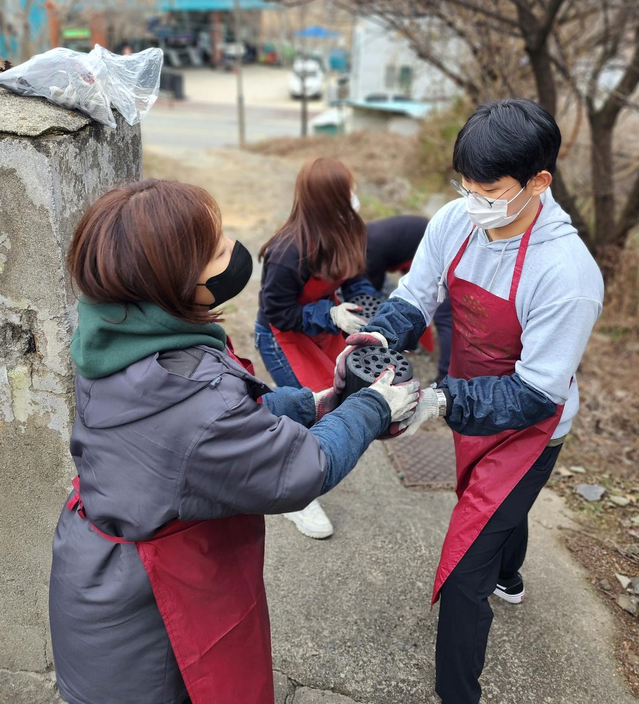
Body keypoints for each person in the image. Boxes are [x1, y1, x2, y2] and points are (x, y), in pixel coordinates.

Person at [49, 179, 419, 704]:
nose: (234, 251)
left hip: (99, 569)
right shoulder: (193, 400)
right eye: (218, 250)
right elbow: (301, 466)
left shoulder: (120, 330)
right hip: (145, 617)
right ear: (174, 283)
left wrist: (319, 401)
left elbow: (221, 423)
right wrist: (374, 406)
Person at [334, 99, 604, 704]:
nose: (473, 202)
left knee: (463, 572)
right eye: (464, 185)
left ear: (540, 182)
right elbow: (416, 294)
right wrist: (378, 337)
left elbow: (536, 393)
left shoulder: (566, 273)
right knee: (488, 506)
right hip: (467, 395)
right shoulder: (457, 220)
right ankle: (511, 573)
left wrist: (432, 401)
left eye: (490, 190)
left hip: (532, 423)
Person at [255, 157, 379, 539]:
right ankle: (296, 496)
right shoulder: (288, 250)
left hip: (325, 326)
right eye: (349, 191)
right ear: (328, 199)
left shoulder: (348, 230)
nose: (355, 198)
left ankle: (304, 470)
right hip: (284, 334)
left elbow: (357, 278)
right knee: (307, 408)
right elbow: (277, 310)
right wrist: (330, 315)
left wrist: (368, 308)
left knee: (337, 399)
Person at [366, 215, 453, 382]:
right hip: (416, 237)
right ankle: (418, 343)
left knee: (444, 315)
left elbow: (373, 293)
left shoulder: (370, 254)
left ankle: (445, 375)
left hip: (434, 244)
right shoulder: (366, 240)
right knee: (414, 300)